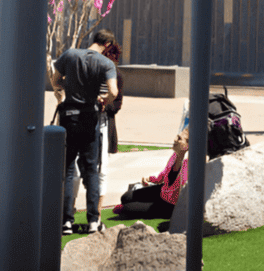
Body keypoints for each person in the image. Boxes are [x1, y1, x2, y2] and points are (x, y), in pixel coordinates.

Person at [52, 35, 119, 234]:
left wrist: (70, 89)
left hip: (69, 117)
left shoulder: (69, 55)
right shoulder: (106, 63)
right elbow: (113, 92)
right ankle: (92, 221)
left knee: (68, 169)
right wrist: (103, 99)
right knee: (91, 170)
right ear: (107, 44)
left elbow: (56, 81)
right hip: (90, 118)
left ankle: (66, 221)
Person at [69, 30, 123, 218]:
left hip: (100, 125)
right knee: (76, 169)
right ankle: (70, 209)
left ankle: (96, 213)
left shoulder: (113, 71)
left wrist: (104, 104)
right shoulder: (81, 66)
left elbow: (116, 102)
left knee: (99, 169)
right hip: (81, 123)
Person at [111, 128, 188, 221]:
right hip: (162, 191)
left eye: (179, 138)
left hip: (170, 205)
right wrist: (152, 179)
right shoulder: (175, 154)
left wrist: (181, 157)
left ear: (187, 145)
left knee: (126, 208)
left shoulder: (188, 163)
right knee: (126, 197)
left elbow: (178, 186)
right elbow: (164, 174)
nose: (175, 139)